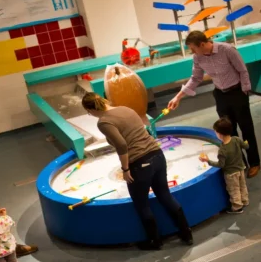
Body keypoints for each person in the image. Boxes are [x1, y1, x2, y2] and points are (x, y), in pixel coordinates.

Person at [82, 93, 194, 250]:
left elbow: (121, 145)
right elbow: (142, 131)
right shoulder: (126, 109)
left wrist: (125, 169)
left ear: (90, 110)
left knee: (142, 204)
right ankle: (186, 233)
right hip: (157, 154)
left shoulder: (103, 122)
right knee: (165, 195)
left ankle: (155, 241)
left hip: (140, 163)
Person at [168, 31, 261, 178]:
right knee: (228, 132)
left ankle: (254, 163)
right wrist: (178, 97)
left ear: (203, 44)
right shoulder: (198, 57)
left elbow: (242, 70)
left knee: (246, 129)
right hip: (220, 95)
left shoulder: (227, 50)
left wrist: (244, 92)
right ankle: (240, 163)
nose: (192, 51)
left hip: (237, 92)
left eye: (193, 48)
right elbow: (195, 78)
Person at [199, 117, 249, 214]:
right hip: (241, 169)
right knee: (242, 186)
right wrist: (246, 142)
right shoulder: (236, 139)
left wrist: (207, 160)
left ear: (220, 134)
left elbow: (221, 164)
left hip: (230, 174)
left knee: (234, 190)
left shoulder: (223, 150)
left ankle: (237, 207)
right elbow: (246, 146)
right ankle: (245, 200)